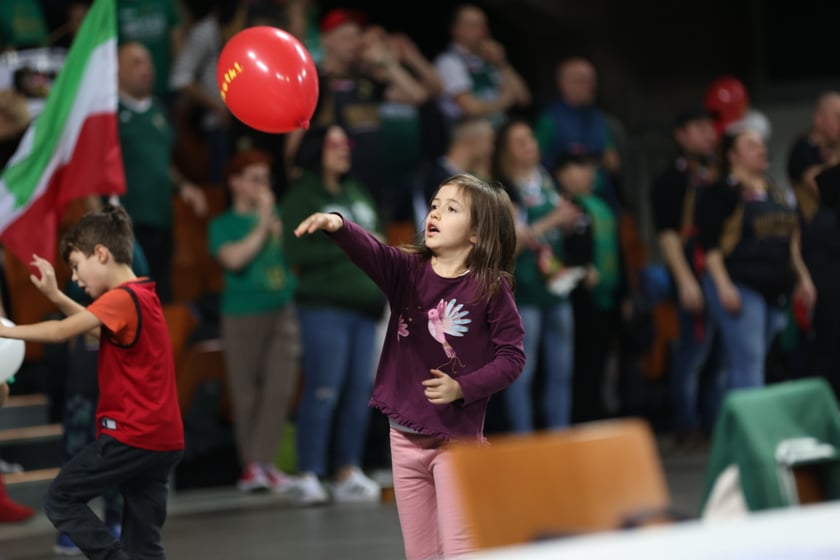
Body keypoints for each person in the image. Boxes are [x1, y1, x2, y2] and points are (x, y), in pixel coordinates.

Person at [293, 173, 525, 559]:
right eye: (435, 204)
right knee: (420, 554)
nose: (435, 213)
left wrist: (462, 387)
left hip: (456, 442)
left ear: (477, 235)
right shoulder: (409, 271)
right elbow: (373, 251)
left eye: (451, 209)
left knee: (460, 549)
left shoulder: (490, 288)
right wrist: (338, 224)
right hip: (403, 439)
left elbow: (512, 358)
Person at [0, 205, 184, 559]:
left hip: (131, 436)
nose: (74, 278)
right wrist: (54, 296)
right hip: (163, 441)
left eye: (75, 265)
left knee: (60, 498)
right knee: (145, 544)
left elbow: (60, 331)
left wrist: (6, 330)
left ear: (100, 254)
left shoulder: (122, 298)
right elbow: (95, 324)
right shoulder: (143, 295)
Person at [281, 124, 386, 504]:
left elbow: (379, 240)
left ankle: (347, 470)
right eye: (334, 144)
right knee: (324, 389)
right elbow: (296, 251)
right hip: (323, 307)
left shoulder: (356, 192)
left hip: (365, 308)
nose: (344, 150)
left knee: (360, 391)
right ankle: (309, 472)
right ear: (316, 150)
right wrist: (349, 247)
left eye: (347, 143)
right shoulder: (302, 195)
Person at [208, 149, 301, 493]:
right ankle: (255, 466)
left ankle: (262, 462)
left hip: (283, 307)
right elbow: (233, 260)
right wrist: (263, 224)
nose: (263, 186)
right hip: (241, 311)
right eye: (255, 179)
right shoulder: (223, 224)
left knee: (280, 387)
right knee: (245, 390)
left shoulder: (279, 216)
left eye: (266, 179)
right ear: (235, 183)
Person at [697, 129, 816, 391]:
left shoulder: (776, 192)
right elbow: (710, 245)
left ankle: (730, 424)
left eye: (762, 145)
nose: (761, 150)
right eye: (751, 145)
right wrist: (723, 286)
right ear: (732, 155)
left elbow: (791, 241)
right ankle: (751, 430)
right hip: (740, 284)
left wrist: (803, 277)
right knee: (748, 363)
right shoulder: (723, 190)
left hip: (775, 289)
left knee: (755, 362)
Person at [491, 118, 580, 432]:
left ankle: (559, 434)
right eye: (521, 141)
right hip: (524, 292)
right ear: (505, 151)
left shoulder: (545, 180)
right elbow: (511, 243)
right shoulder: (503, 189)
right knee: (522, 373)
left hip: (555, 287)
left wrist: (566, 223)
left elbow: (553, 230)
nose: (531, 145)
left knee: (561, 369)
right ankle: (523, 441)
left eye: (531, 138)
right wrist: (555, 220)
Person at [649, 106, 724, 444]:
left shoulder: (720, 175)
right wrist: (685, 281)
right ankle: (686, 425)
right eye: (698, 127)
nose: (708, 133)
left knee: (721, 353)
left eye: (711, 127)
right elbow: (667, 235)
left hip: (721, 271)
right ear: (680, 135)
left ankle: (714, 423)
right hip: (691, 270)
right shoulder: (670, 180)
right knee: (694, 350)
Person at [117, 41, 207, 303]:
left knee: (161, 292)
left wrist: (184, 186)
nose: (147, 68)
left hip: (162, 217)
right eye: (137, 62)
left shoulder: (158, 110)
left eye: (149, 62)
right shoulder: (108, 112)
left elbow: (162, 162)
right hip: (126, 221)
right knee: (131, 296)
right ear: (116, 70)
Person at [533, 56, 622, 213]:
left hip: (603, 198)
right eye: (583, 80)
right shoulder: (550, 119)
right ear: (564, 83)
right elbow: (534, 162)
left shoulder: (599, 117)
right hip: (566, 203)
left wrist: (590, 166)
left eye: (592, 80)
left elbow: (613, 162)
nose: (590, 86)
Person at [434, 3, 531, 132]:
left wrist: (501, 63)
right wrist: (506, 100)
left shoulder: (490, 61)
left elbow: (523, 98)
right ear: (456, 30)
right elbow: (470, 107)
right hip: (469, 139)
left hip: (499, 136)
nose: (481, 31)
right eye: (473, 25)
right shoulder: (448, 62)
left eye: (483, 25)